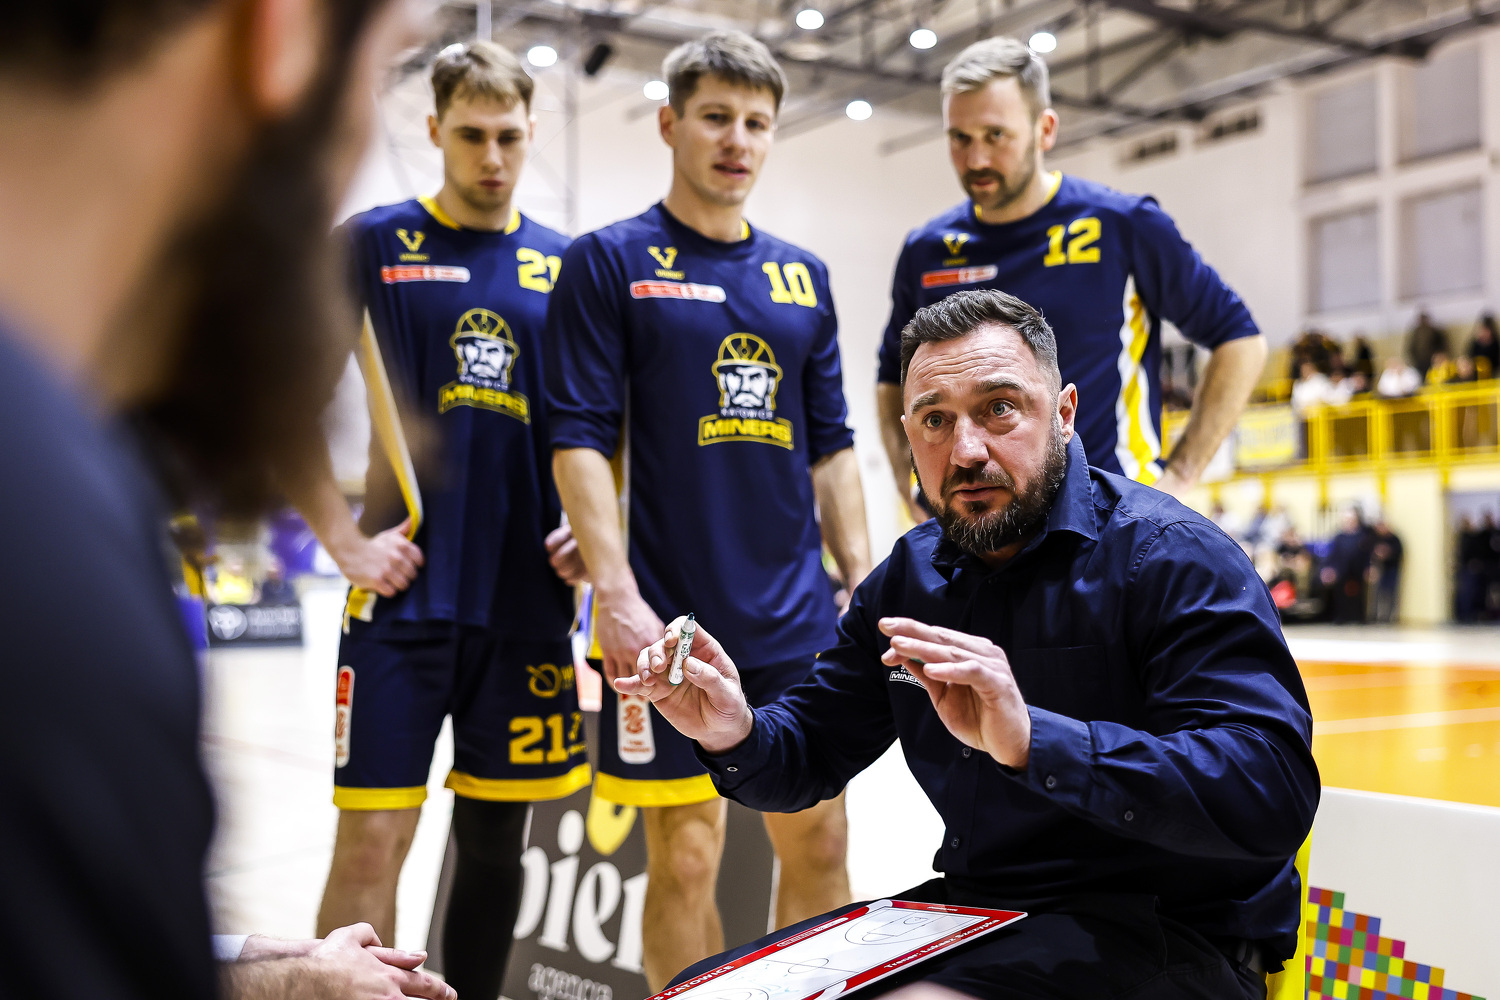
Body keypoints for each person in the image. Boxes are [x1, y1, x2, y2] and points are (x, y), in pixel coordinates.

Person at [625, 289, 1318, 999]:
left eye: (999, 409)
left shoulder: (1171, 556)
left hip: (1174, 935)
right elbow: (808, 753)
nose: (965, 450)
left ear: (1065, 414)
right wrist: (734, 730)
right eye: (936, 420)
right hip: (980, 918)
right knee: (701, 992)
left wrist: (1038, 741)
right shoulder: (909, 579)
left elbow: (1270, 793)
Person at [0, 0, 454, 997]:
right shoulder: (45, 552)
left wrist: (283, 974)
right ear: (280, 34)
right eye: (381, 71)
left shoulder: (63, 468)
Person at [544, 30, 872, 991]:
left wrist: (862, 579)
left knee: (821, 840)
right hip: (668, 622)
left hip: (795, 618)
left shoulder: (801, 277)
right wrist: (615, 594)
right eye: (717, 117)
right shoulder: (608, 261)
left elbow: (833, 448)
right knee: (687, 854)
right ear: (669, 123)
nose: (737, 140)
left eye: (757, 123)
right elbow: (577, 439)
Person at [279, 39, 586, 1000]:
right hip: (401, 601)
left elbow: (603, 428)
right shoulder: (372, 244)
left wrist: (595, 528)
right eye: (471, 135)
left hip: (525, 602)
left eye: (509, 137)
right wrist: (342, 541)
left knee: (495, 841)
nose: (492, 157)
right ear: (435, 131)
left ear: (531, 134)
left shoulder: (567, 265)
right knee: (373, 839)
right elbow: (282, 396)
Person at [875, 37, 1267, 523]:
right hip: (979, 530)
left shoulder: (1122, 224)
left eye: (995, 135)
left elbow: (1240, 339)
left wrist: (1182, 473)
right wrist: (910, 483)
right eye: (960, 138)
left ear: (1045, 130)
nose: (976, 159)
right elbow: (890, 378)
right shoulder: (926, 251)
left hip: (1111, 522)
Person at [1322, 508, 1371, 625]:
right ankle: (1341, 617)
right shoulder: (1339, 537)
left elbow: (1367, 555)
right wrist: (1329, 569)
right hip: (1341, 571)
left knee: (1359, 595)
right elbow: (1333, 555)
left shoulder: (1363, 536)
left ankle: (1358, 617)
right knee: (1340, 595)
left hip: (1358, 571)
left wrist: (1368, 568)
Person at [1369, 520, 1404, 624]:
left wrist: (1387, 553)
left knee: (1391, 594)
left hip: (1392, 569)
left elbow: (1399, 554)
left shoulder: (1394, 539)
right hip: (1379, 569)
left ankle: (1390, 617)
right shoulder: (1375, 538)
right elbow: (1369, 553)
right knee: (1377, 593)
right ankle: (1376, 616)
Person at [1407, 309, 1449, 377]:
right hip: (1419, 361)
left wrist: (1438, 356)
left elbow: (1441, 345)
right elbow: (1411, 347)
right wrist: (1414, 358)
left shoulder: (1435, 331)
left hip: (1433, 360)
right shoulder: (1416, 333)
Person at [1468, 312, 1499, 379]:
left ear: (1491, 331)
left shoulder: (1495, 344)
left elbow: (1496, 363)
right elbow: (1469, 357)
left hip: (1491, 373)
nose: (1483, 333)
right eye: (1481, 330)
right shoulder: (1475, 343)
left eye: (1486, 330)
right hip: (1475, 372)